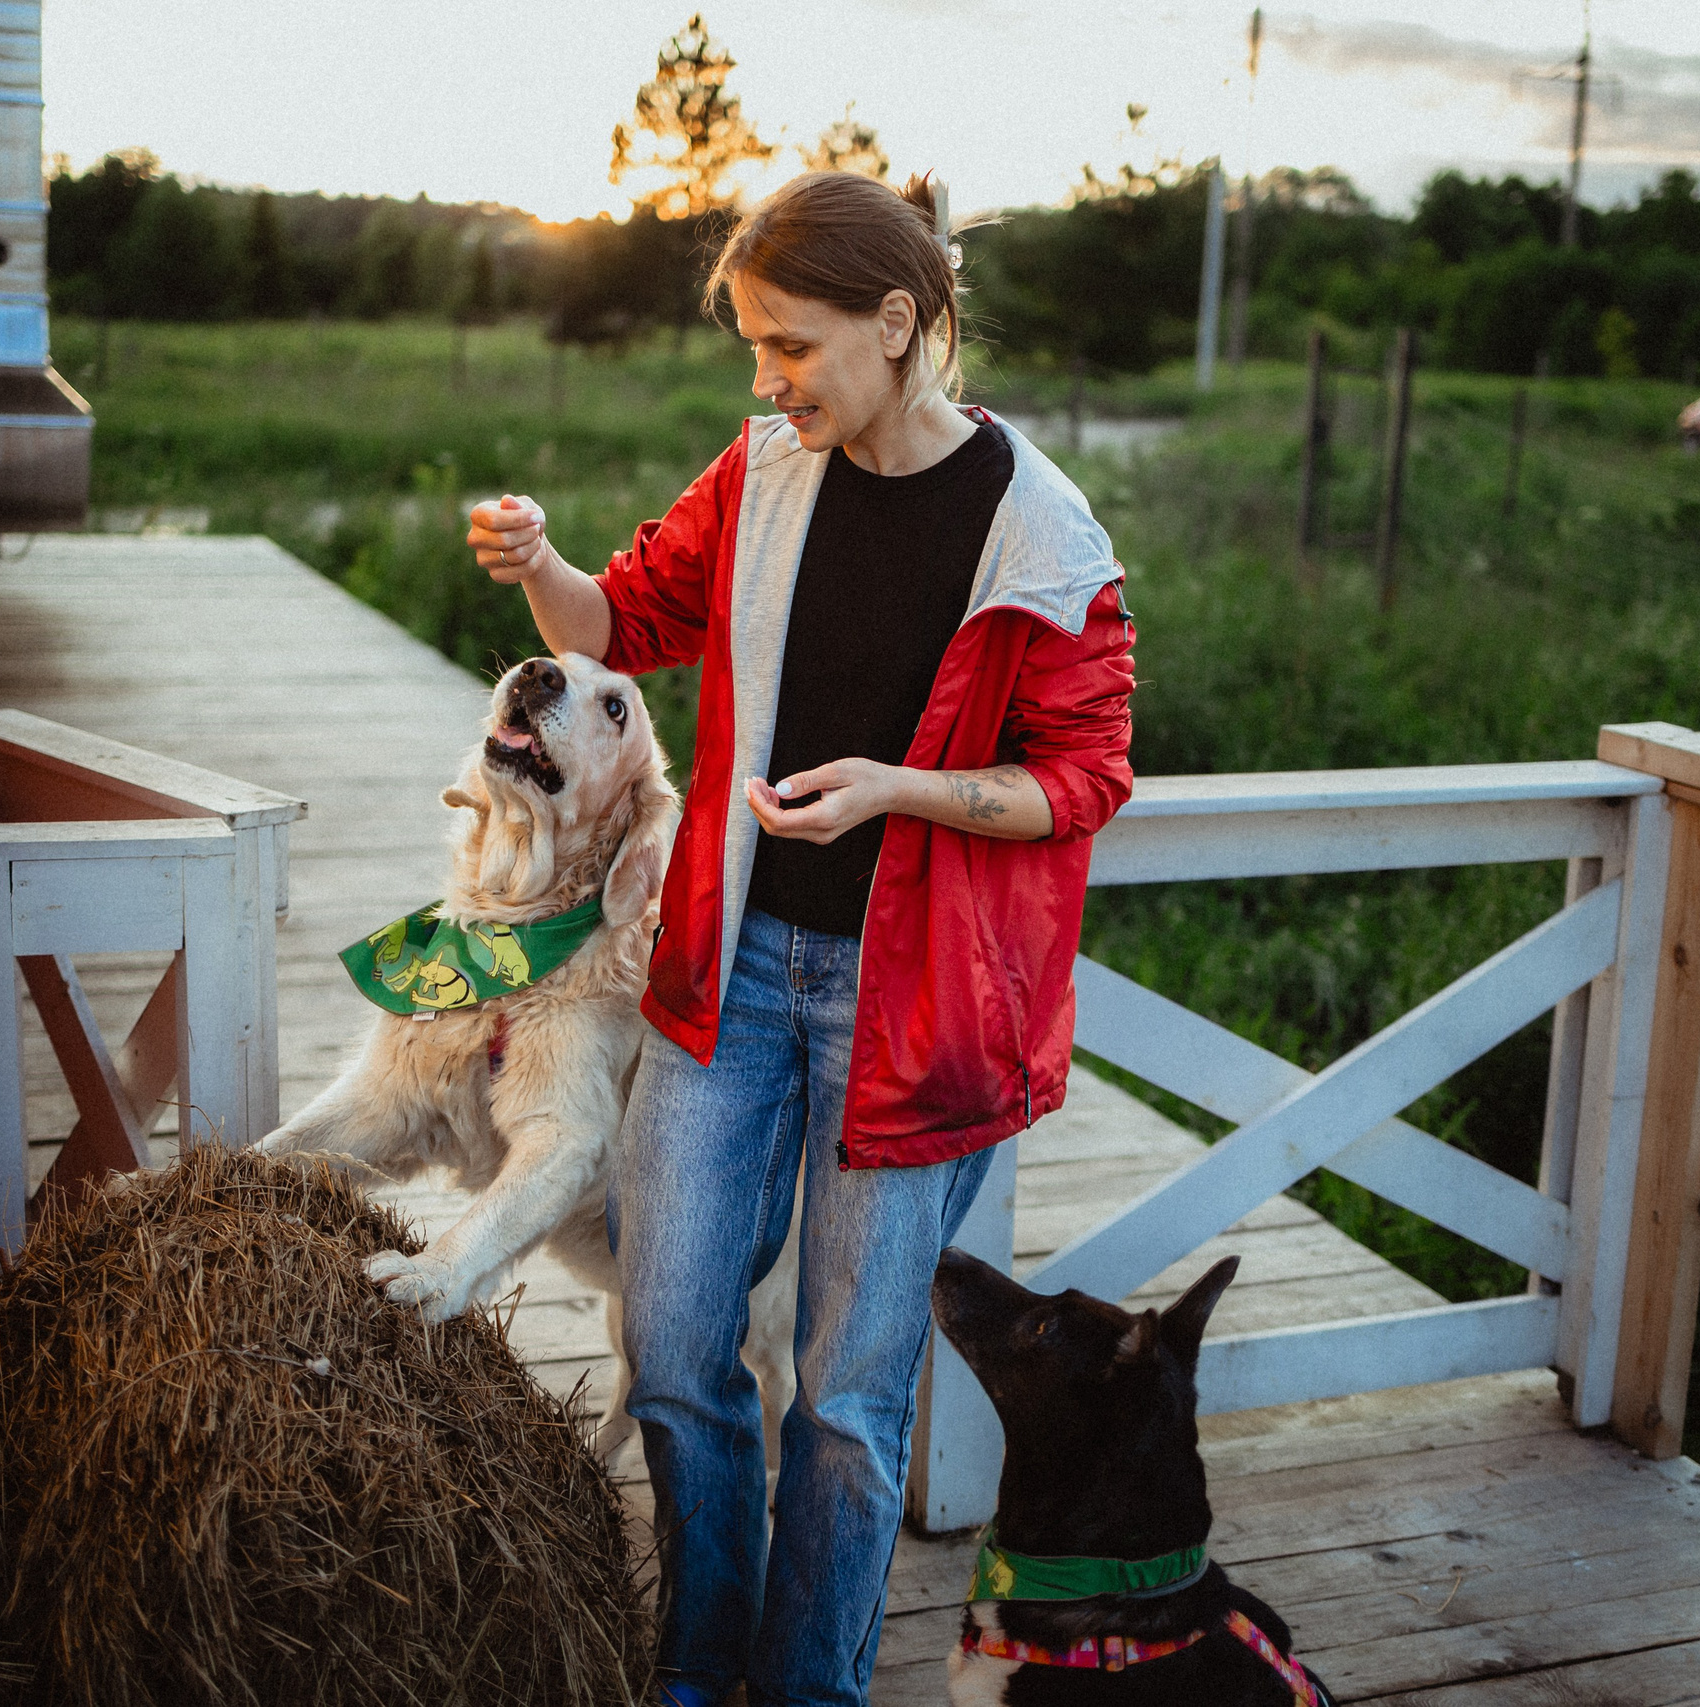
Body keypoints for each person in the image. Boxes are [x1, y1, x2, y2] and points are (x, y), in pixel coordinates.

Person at [465, 170, 1135, 1707]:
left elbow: (1083, 780)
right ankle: (703, 1667)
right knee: (679, 1342)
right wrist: (544, 563)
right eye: (754, 345)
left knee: (843, 1399)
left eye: (793, 344)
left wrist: (900, 789)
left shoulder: (1040, 529)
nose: (765, 378)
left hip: (910, 1022)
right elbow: (618, 624)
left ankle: (808, 1688)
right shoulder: (767, 470)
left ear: (897, 325)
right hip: (731, 978)